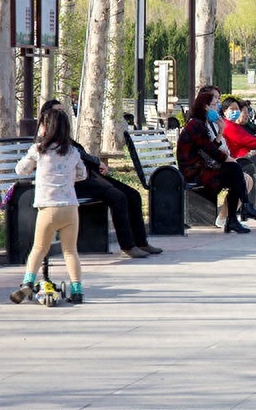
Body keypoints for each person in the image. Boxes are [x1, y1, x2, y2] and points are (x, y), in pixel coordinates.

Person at [39, 99, 162, 259]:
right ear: (47, 117)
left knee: (133, 195)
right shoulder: (48, 140)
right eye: (58, 111)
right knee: (118, 197)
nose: (62, 115)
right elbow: (75, 156)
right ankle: (128, 246)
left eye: (63, 111)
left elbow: (80, 153)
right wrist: (96, 162)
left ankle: (141, 242)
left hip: (90, 176)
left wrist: (96, 164)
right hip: (74, 183)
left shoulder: (64, 136)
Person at [10, 108, 87, 304]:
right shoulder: (72, 151)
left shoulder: (38, 150)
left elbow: (21, 169)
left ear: (46, 128)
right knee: (70, 251)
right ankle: (76, 291)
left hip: (48, 208)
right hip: (70, 208)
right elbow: (82, 174)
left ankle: (27, 282)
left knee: (39, 248)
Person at [177, 92, 256, 234]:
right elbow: (209, 150)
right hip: (193, 171)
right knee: (234, 170)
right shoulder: (196, 125)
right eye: (214, 104)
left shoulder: (202, 123)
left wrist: (220, 132)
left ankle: (236, 215)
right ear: (204, 107)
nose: (217, 107)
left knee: (234, 170)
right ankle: (240, 211)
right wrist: (226, 158)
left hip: (203, 167)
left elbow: (211, 147)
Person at [198, 85, 256, 224]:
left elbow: (220, 146)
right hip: (201, 168)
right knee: (239, 175)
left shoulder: (215, 123)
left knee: (246, 178)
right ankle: (240, 211)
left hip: (215, 163)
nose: (217, 103)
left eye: (218, 98)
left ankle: (227, 217)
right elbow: (206, 150)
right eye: (214, 99)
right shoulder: (198, 123)